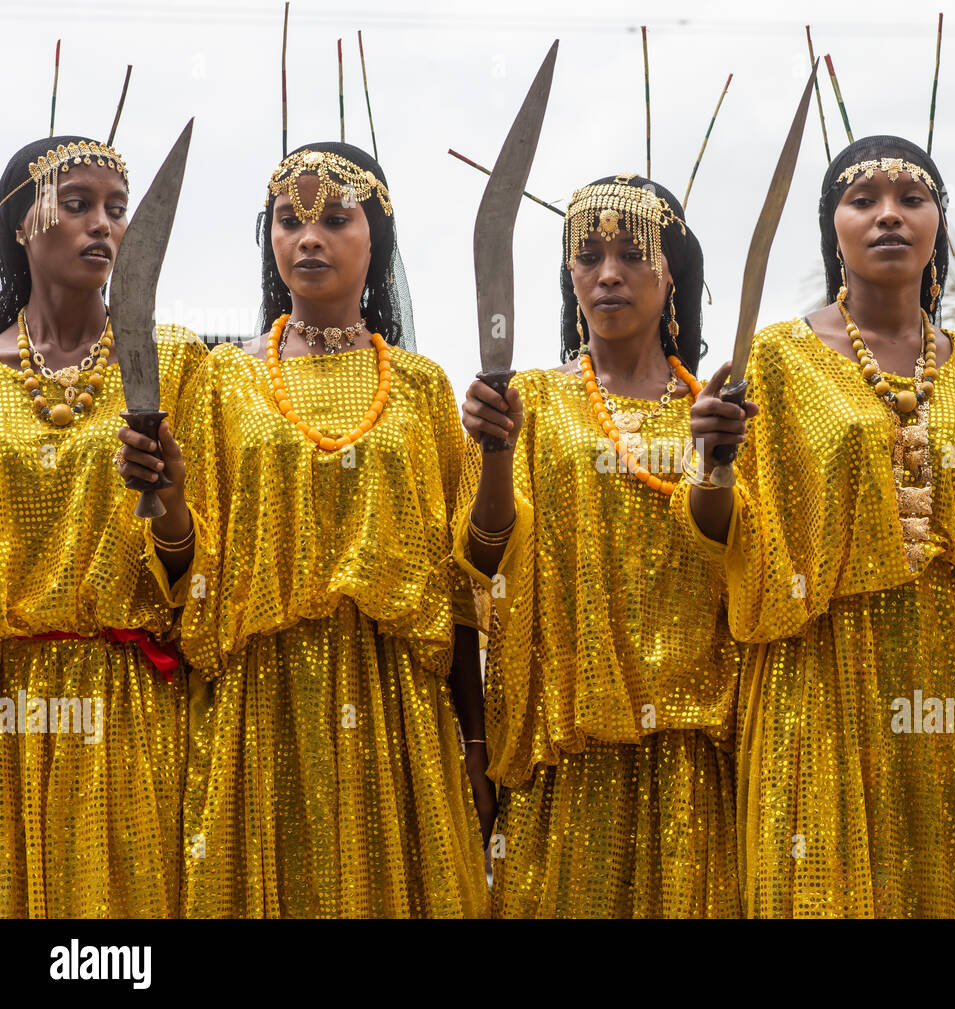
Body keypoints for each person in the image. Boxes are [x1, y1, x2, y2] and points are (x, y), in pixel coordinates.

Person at [682, 136, 955, 917]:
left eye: (912, 198)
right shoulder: (775, 360)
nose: (888, 214)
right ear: (833, 229)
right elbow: (721, 537)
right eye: (863, 200)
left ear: (938, 224)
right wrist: (713, 463)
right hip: (822, 670)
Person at [167, 142, 490, 917]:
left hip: (395, 703)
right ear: (269, 239)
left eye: (334, 219)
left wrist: (477, 742)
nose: (308, 238)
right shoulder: (222, 380)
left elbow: (461, 592)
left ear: (374, 240)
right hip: (260, 697)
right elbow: (186, 564)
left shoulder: (419, 386)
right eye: (288, 220)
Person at [457, 173, 743, 917]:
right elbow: (482, 559)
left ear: (672, 269)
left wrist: (717, 462)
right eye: (587, 255)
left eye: (632, 252)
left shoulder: (718, 411)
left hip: (693, 747)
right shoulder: (530, 402)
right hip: (567, 752)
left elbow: (746, 557)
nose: (608, 273)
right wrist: (493, 450)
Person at [0, 135, 206, 916]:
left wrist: (173, 501)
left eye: (117, 210)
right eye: (78, 204)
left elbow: (203, 576)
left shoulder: (176, 361)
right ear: (21, 223)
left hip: (134, 701)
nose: (104, 226)